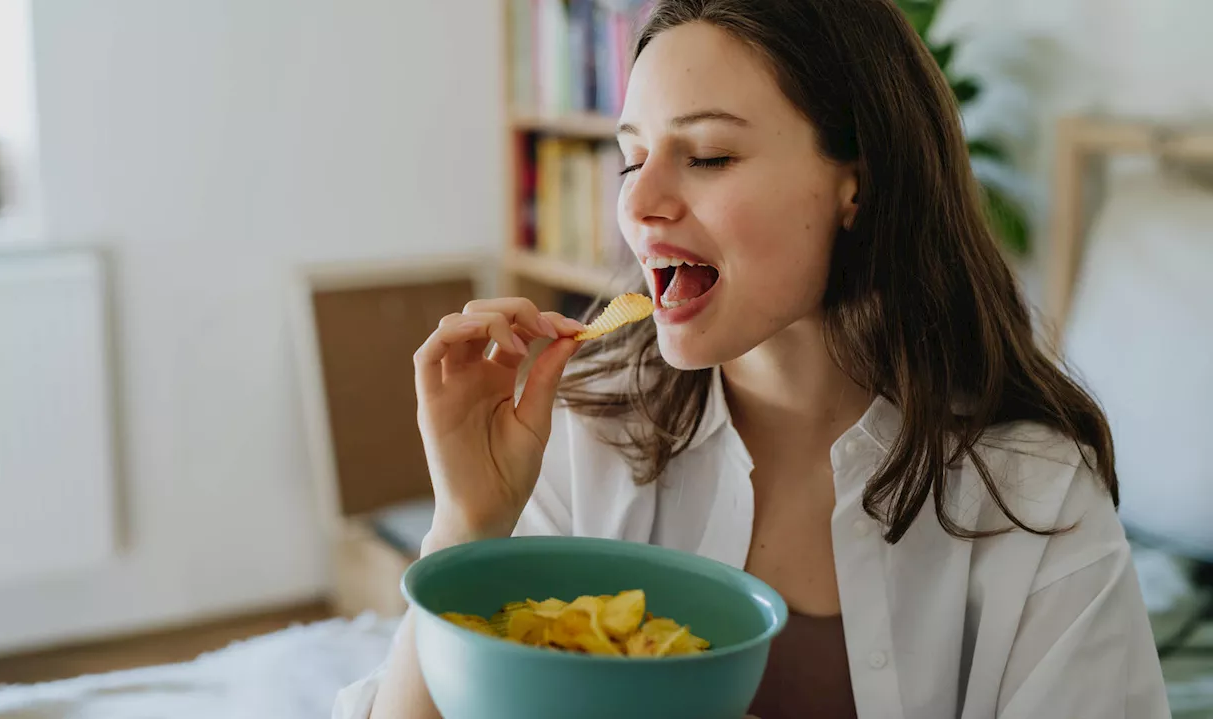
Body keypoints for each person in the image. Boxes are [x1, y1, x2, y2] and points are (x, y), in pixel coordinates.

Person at [337, 0, 1171, 717]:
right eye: (631, 156)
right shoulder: (587, 425)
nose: (638, 200)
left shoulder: (1032, 490)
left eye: (708, 156)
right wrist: (465, 526)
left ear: (858, 182)